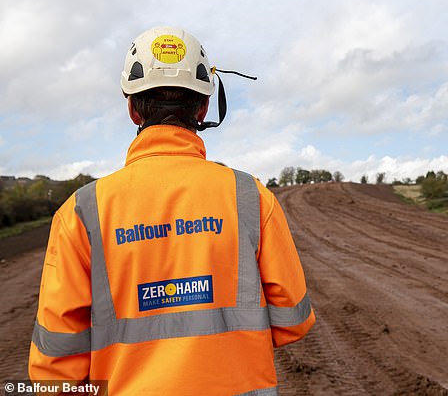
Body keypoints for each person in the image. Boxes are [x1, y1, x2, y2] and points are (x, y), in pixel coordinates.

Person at [29, 26, 315, 395]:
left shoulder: (82, 213)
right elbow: (293, 321)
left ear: (132, 108)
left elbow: (56, 366)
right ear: (204, 106)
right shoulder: (251, 197)